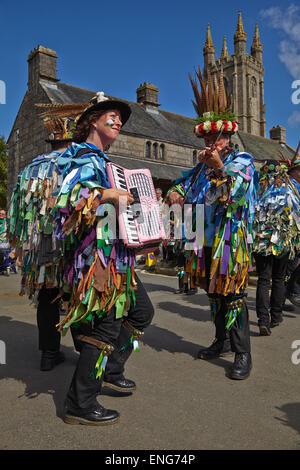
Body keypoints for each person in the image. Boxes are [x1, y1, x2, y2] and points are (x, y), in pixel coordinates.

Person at [51, 92, 154, 425]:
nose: (118, 121)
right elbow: (64, 200)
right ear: (92, 121)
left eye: (120, 118)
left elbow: (116, 216)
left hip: (118, 256)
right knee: (105, 330)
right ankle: (79, 403)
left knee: (141, 313)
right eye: (111, 115)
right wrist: (106, 194)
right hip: (96, 259)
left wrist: (143, 230)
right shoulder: (78, 155)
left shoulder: (106, 164)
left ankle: (111, 369)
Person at [166, 67, 258, 380]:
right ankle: (220, 341)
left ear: (227, 138)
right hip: (202, 239)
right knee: (214, 294)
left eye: (213, 137)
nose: (208, 141)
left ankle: (242, 353)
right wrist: (174, 192)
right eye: (205, 137)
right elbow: (182, 184)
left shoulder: (241, 161)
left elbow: (237, 194)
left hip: (228, 240)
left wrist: (219, 168)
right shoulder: (200, 167)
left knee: (233, 295)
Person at [7, 103, 90, 370]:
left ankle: (48, 354)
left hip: (39, 245)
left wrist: (21, 245)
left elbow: (18, 212)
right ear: (73, 137)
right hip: (68, 242)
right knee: (75, 293)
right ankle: (84, 351)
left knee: (47, 297)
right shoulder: (76, 166)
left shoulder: (30, 168)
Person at [253, 160, 300, 335]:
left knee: (264, 280)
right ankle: (276, 316)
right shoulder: (291, 188)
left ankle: (262, 320)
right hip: (282, 240)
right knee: (279, 279)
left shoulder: (258, 190)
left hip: (261, 239)